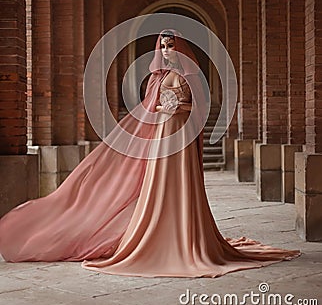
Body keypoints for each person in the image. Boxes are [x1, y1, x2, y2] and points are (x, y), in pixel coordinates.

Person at [0, 29, 301, 278]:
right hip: (162, 133)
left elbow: (198, 108)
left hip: (181, 133)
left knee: (183, 185)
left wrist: (178, 108)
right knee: (157, 184)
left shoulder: (192, 75)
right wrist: (161, 108)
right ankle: (156, 232)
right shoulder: (156, 77)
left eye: (171, 45)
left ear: (180, 47)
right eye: (164, 46)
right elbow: (149, 108)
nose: (168, 50)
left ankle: (185, 235)